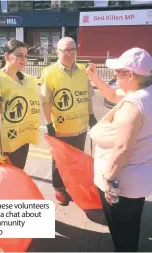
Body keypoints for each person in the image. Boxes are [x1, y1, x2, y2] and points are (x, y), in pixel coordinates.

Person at [87, 47, 152, 252]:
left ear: (130, 74)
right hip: (138, 179)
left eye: (118, 71)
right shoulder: (144, 92)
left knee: (121, 228)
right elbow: (113, 93)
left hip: (122, 182)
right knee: (131, 223)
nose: (115, 75)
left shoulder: (134, 105)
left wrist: (108, 181)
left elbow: (123, 149)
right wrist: (95, 79)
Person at [41, 37, 97, 205]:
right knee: (59, 161)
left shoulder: (81, 71)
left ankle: (72, 187)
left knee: (77, 160)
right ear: (57, 52)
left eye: (73, 49)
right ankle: (59, 189)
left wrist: (91, 116)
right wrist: (49, 124)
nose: (70, 53)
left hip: (80, 128)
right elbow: (45, 102)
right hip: (61, 128)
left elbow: (88, 97)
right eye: (66, 50)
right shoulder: (49, 72)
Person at [0, 39, 40, 169]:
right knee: (3, 183)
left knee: (17, 176)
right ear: (7, 56)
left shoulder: (25, 80)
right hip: (5, 145)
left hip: (22, 140)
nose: (24, 59)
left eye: (26, 56)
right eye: (19, 55)